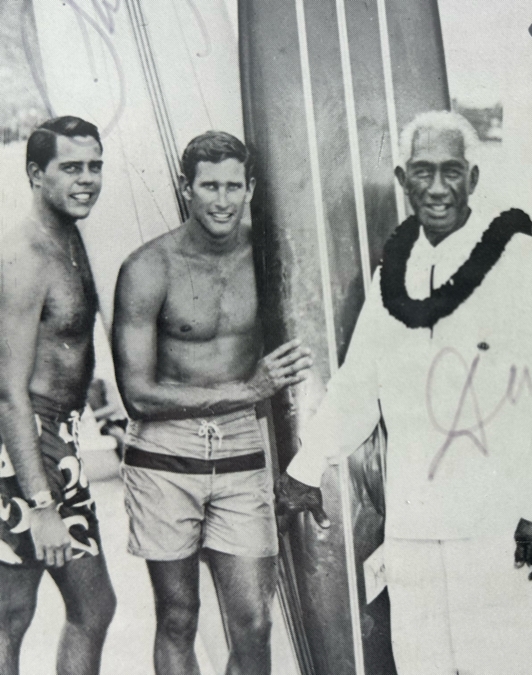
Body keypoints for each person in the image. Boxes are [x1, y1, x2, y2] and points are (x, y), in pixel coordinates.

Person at [275, 110, 532, 674]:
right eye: (422, 172)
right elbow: (362, 378)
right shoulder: (396, 267)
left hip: (494, 523)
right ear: (402, 178)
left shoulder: (519, 261)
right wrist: (306, 467)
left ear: (473, 179)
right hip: (414, 522)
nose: (437, 188)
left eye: (451, 171)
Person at [111, 131, 311, 675]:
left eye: (232, 186)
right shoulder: (148, 268)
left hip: (240, 449)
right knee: (179, 616)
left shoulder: (269, 258)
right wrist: (247, 392)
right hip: (163, 454)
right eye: (209, 186)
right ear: (186, 189)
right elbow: (137, 396)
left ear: (249, 188)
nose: (222, 200)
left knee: (254, 623)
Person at [0, 116, 116, 675]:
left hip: (59, 441)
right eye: (71, 168)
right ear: (35, 174)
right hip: (21, 447)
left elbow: (63, 348)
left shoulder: (70, 238)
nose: (87, 179)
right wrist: (42, 506)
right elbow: (7, 393)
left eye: (94, 166)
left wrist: (101, 406)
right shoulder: (23, 257)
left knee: (92, 607)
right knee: (10, 616)